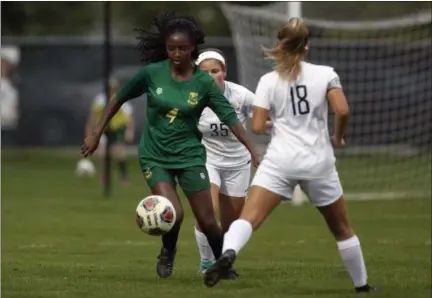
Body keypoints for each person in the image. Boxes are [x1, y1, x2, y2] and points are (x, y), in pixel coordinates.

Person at [81, 12, 260, 279]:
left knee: (208, 220)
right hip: (155, 156)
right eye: (171, 48)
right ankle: (168, 252)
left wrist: (252, 149)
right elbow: (118, 98)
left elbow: (231, 118)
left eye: (182, 48)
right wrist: (96, 133)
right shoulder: (153, 73)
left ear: (192, 50)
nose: (176, 53)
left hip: (189, 156)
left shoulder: (202, 83)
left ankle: (223, 267)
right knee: (172, 212)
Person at [204, 18, 376, 293]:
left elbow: (258, 126)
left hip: (280, 161)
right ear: (306, 46)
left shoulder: (268, 81)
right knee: (342, 229)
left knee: (247, 219)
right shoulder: (325, 74)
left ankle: (229, 253)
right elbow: (342, 110)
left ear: (280, 45)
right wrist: (338, 136)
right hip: (317, 162)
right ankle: (362, 286)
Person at [194, 49, 268, 273]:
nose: (210, 76)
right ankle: (206, 261)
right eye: (204, 72)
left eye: (214, 71)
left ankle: (222, 261)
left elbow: (263, 116)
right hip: (208, 160)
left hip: (238, 164)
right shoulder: (192, 97)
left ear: (224, 73)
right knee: (207, 211)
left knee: (230, 224)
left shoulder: (241, 95)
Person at [85, 78, 134, 185]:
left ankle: (124, 177)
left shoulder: (120, 99)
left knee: (119, 154)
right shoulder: (99, 100)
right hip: (102, 129)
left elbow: (129, 118)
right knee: (102, 154)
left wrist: (129, 131)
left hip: (117, 129)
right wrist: (90, 132)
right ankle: (104, 178)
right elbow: (92, 118)